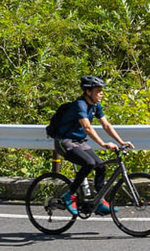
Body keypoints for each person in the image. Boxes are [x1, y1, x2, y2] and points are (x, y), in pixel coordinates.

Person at [46, 76, 132, 215]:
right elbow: (87, 127)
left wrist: (121, 142)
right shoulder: (79, 105)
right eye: (98, 90)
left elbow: (106, 125)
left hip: (79, 142)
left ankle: (98, 201)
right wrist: (103, 144)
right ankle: (69, 195)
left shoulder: (95, 105)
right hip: (65, 141)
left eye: (101, 90)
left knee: (101, 166)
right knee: (89, 163)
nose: (101, 93)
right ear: (88, 91)